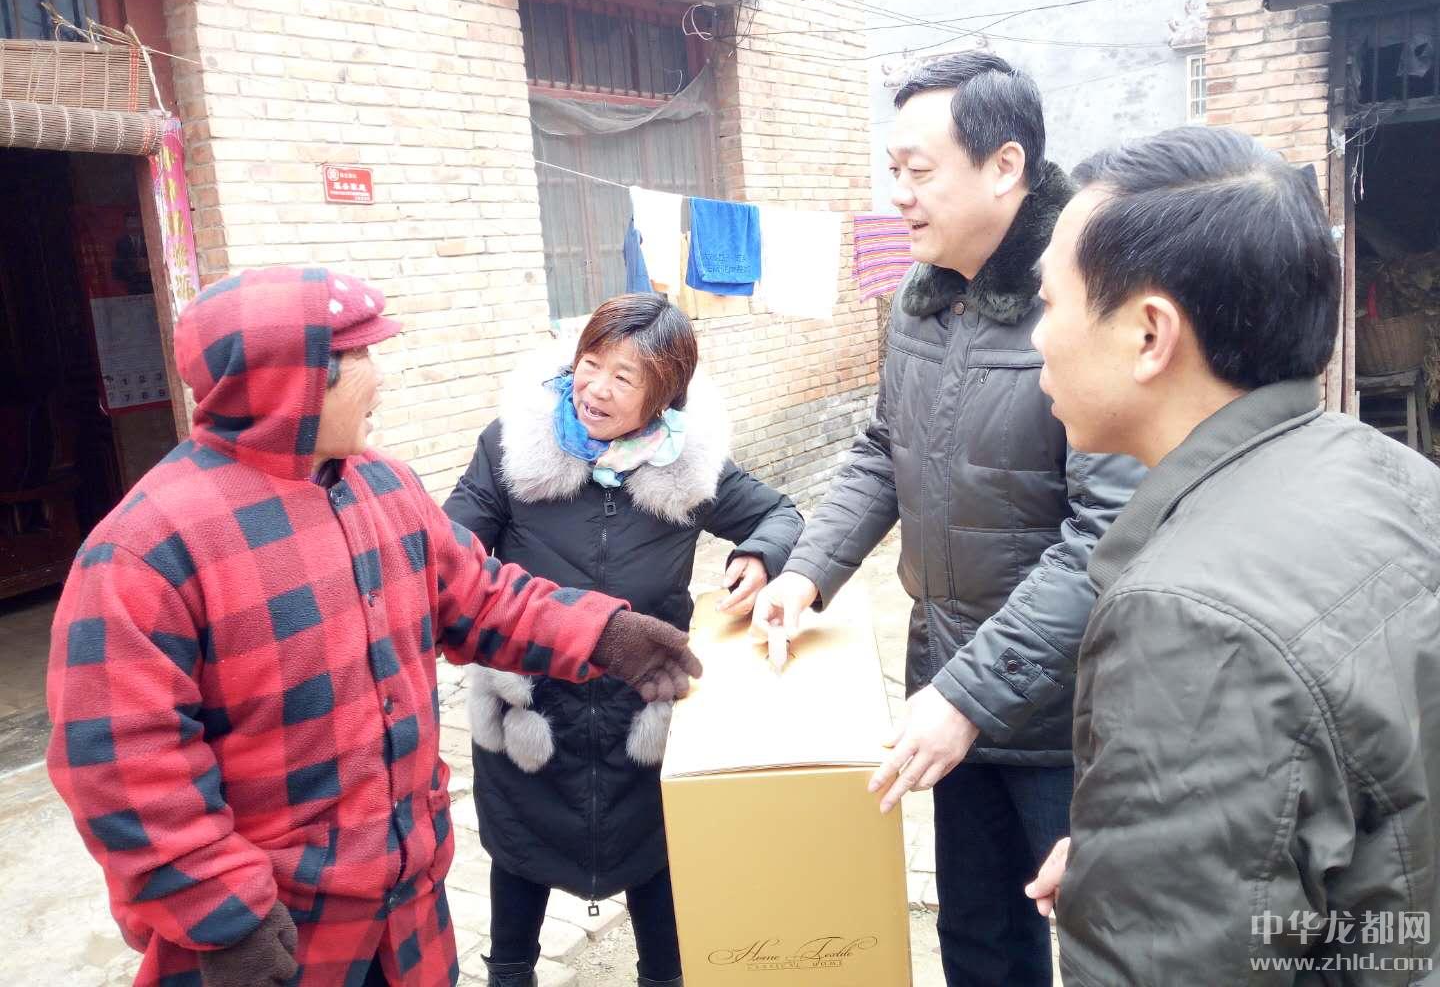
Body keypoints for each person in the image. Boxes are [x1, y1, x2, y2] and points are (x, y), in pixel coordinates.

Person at [46, 267, 701, 987]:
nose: (381, 379)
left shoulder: (383, 486)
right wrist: (221, 914)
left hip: (409, 913)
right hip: (277, 936)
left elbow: (480, 597)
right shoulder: (146, 550)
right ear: (297, 380)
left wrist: (603, 634)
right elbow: (119, 763)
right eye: (361, 355)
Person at [750, 52, 1142, 986]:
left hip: (1068, 717)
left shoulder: (1085, 302)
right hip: (950, 688)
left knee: (1106, 943)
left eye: (918, 170)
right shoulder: (920, 299)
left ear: (1005, 167)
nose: (899, 194)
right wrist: (806, 571)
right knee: (978, 937)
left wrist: (967, 697)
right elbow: (883, 446)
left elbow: (1107, 537)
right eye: (893, 170)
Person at [1023, 126, 1440, 983]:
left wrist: (1139, 897)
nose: (1037, 338)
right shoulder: (1397, 473)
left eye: (1050, 302)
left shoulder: (1187, 619)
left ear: (1150, 335)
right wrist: (1134, 861)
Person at [443, 293, 803, 987]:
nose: (596, 389)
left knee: (656, 866)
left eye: (624, 377)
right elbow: (450, 546)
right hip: (533, 707)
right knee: (518, 861)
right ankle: (510, 972)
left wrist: (759, 557)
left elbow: (780, 515)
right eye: (590, 363)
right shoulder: (512, 447)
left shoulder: (688, 465)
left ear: (664, 395)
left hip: (642, 707)